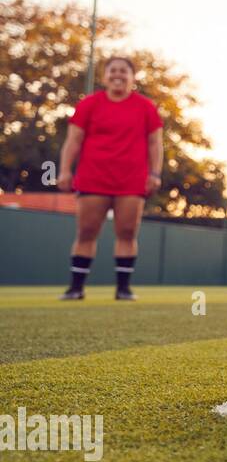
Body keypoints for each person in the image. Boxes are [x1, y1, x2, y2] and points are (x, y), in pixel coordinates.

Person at [56, 55, 163, 301]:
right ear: (104, 76)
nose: (118, 75)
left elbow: (156, 143)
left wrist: (155, 173)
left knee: (126, 232)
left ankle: (123, 289)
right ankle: (76, 288)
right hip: (93, 178)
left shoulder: (146, 106)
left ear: (132, 77)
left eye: (123, 71)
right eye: (112, 70)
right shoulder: (88, 104)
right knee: (86, 231)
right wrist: (63, 170)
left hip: (132, 180)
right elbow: (73, 140)